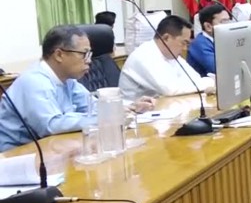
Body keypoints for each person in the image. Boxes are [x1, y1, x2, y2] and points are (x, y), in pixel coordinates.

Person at [0, 26, 154, 152]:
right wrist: (107, 118)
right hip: (17, 156)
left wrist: (129, 107)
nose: (89, 61)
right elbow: (51, 125)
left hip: (49, 149)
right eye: (84, 54)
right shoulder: (34, 81)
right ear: (59, 55)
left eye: (90, 55)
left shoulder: (68, 80)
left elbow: (93, 105)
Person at [119, 15, 215, 101]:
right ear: (166, 38)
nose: (185, 48)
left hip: (164, 107)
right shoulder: (144, 55)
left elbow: (195, 78)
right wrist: (210, 82)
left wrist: (208, 83)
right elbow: (170, 89)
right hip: (137, 112)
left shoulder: (172, 55)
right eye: (183, 43)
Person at [186, 3, 231, 77]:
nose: (229, 25)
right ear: (208, 26)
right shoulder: (199, 44)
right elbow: (219, 68)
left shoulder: (223, 40)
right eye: (223, 22)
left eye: (229, 21)